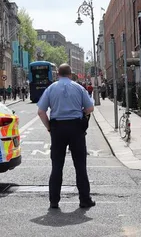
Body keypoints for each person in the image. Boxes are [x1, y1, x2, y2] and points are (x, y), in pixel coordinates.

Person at [37, 63, 96, 210]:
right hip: (76, 128)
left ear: (58, 74)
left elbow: (41, 112)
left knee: (57, 165)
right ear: (71, 74)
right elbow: (90, 108)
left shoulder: (50, 89)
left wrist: (49, 127)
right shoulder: (78, 88)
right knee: (80, 165)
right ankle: (84, 199)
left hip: (58, 128)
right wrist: (81, 113)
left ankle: (54, 201)